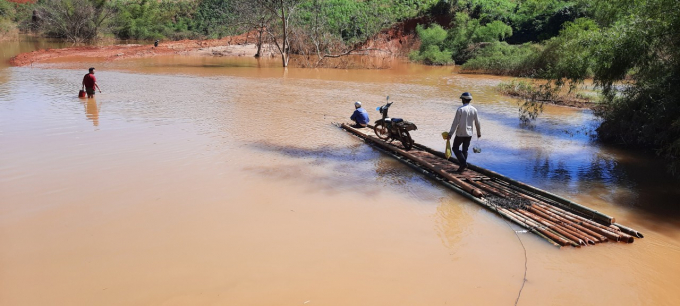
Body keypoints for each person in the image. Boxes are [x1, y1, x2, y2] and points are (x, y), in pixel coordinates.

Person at [447, 92, 481, 172]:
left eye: (462, 99)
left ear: (463, 99)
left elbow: (455, 123)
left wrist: (450, 134)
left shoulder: (460, 109)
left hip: (460, 133)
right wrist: (479, 133)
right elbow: (477, 122)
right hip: (469, 133)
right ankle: (463, 166)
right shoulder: (474, 110)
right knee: (465, 150)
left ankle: (463, 164)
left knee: (455, 148)